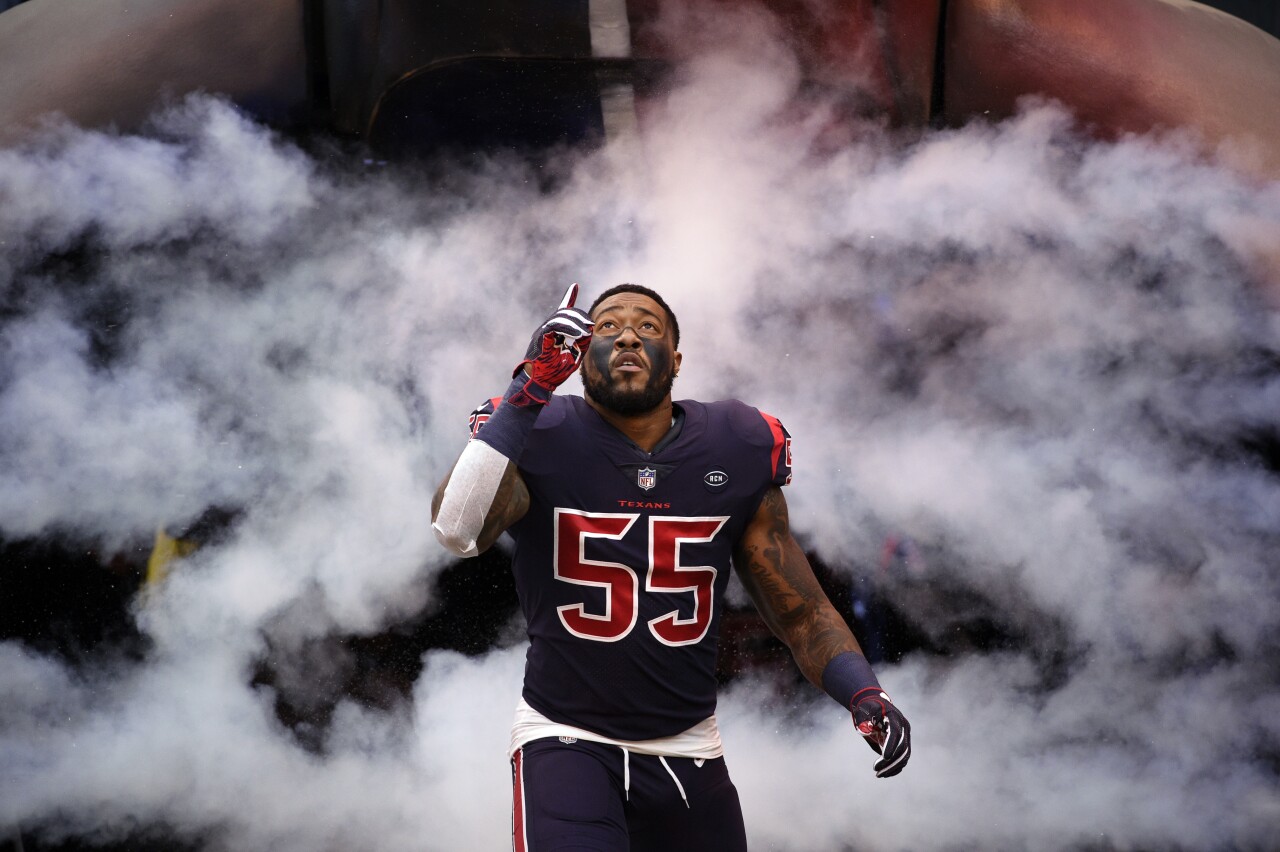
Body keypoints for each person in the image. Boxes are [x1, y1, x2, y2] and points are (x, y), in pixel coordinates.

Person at [432, 283, 911, 851]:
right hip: (564, 736)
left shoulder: (737, 444)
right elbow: (457, 530)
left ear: (677, 360)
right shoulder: (535, 430)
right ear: (580, 353)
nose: (627, 336)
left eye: (648, 327)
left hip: (690, 747)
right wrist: (527, 389)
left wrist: (864, 692)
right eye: (607, 326)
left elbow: (801, 613)